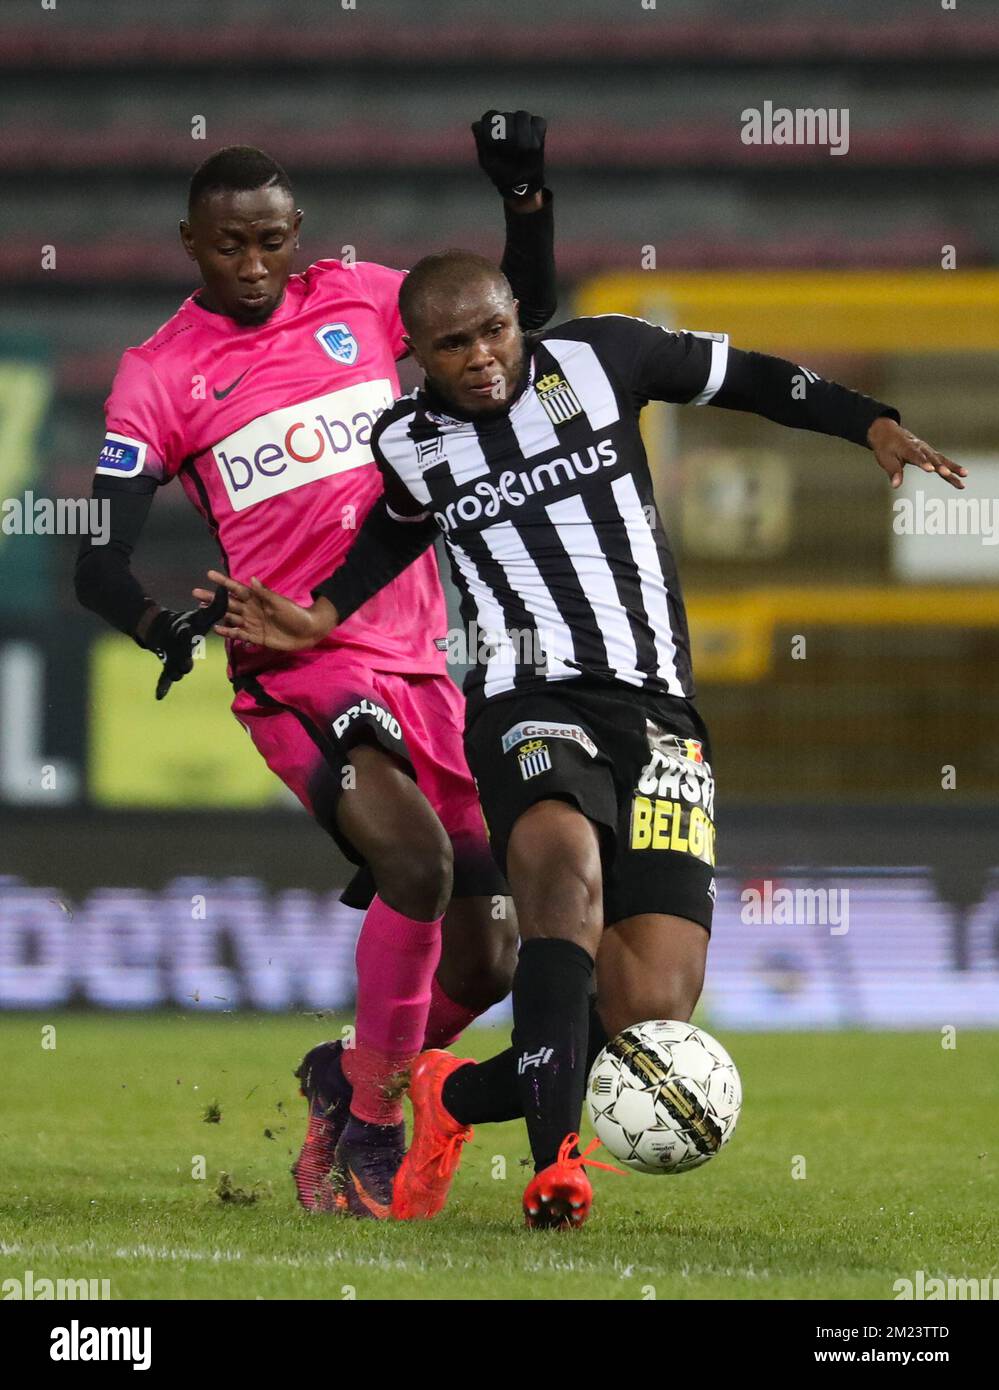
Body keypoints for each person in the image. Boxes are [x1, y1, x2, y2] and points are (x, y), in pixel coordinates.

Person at [206, 250, 966, 1229]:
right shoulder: (408, 440)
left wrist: (866, 419)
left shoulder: (606, 358)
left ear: (518, 319)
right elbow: (393, 536)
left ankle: (449, 1097)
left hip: (658, 711)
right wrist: (320, 616)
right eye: (453, 344)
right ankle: (555, 1166)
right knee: (560, 883)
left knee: (648, 1009)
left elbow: (755, 378)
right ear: (415, 355)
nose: (481, 357)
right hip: (527, 694)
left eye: (493, 331)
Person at [75, 117, 558, 1220]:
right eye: (231, 245)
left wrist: (525, 202)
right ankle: (374, 1135)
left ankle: (344, 1077)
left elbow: (510, 319)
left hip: (426, 664)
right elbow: (96, 562)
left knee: (486, 959)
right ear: (189, 240)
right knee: (418, 866)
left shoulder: (357, 299)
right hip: (297, 664)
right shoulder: (156, 376)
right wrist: (162, 627)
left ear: (300, 237)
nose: (255, 266)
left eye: (274, 242)